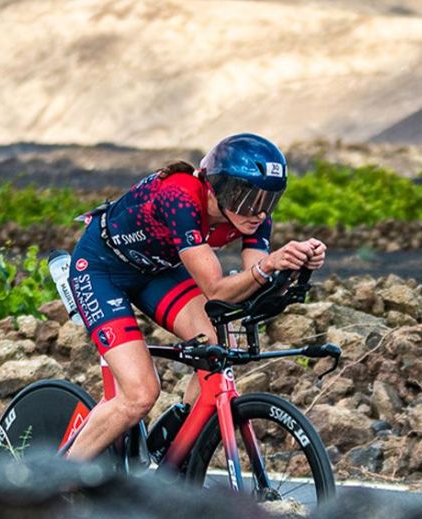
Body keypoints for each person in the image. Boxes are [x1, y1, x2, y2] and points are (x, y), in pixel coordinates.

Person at [63, 132, 326, 461]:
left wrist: (293, 267)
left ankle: (172, 445)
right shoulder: (181, 195)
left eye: (268, 200)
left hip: (157, 270)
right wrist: (270, 264)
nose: (259, 212)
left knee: (219, 350)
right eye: (248, 198)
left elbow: (253, 281)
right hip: (101, 269)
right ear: (218, 187)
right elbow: (216, 289)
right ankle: (58, 480)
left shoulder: (252, 216)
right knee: (140, 395)